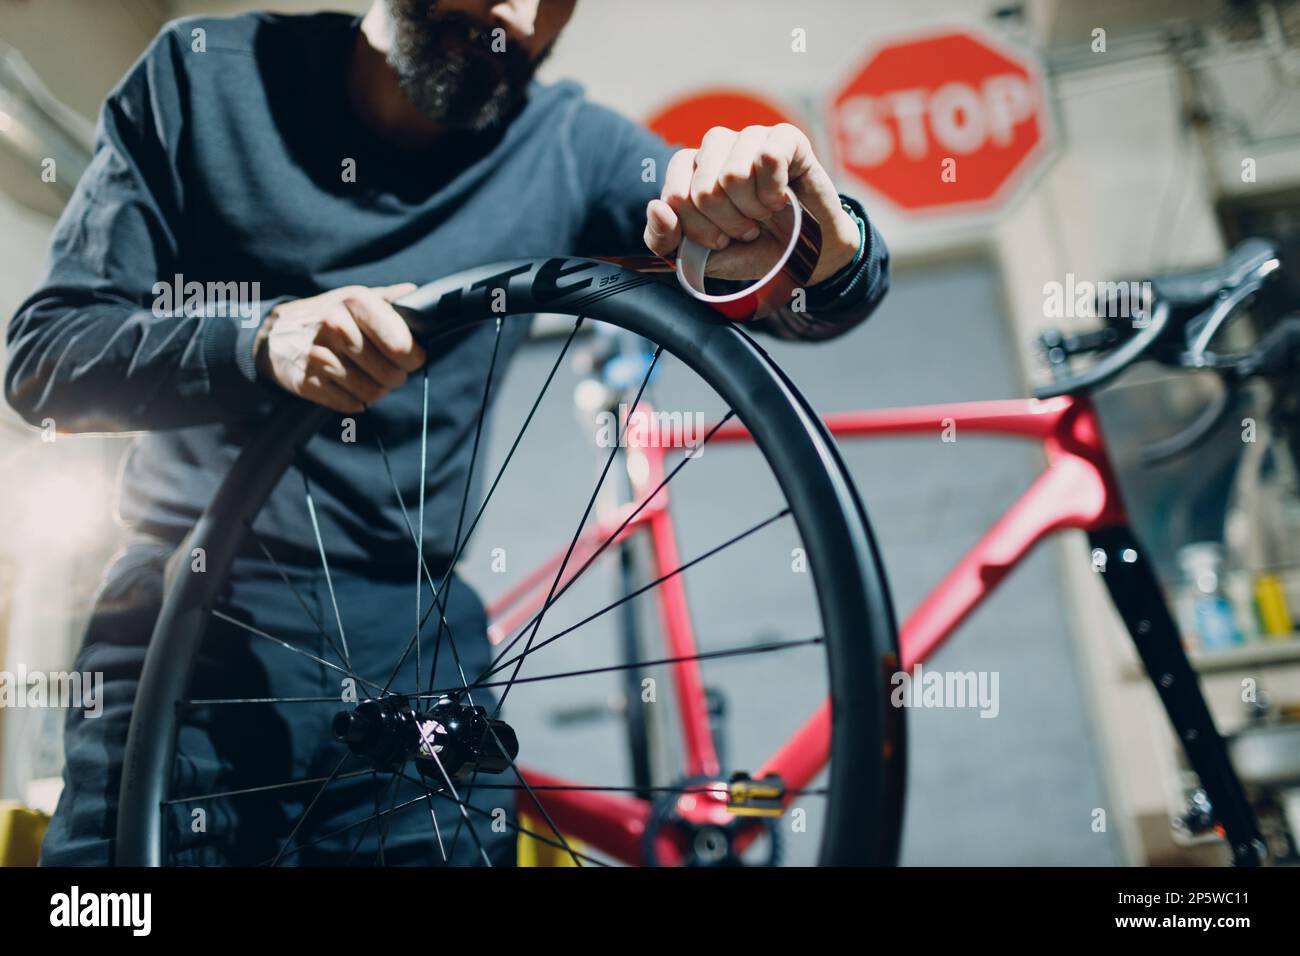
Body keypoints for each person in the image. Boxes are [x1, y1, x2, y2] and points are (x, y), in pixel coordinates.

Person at [5, 0, 889, 866]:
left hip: (417, 643)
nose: (521, 11)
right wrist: (258, 340)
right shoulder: (200, 77)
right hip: (192, 619)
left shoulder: (571, 148)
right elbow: (43, 358)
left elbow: (798, 299)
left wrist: (819, 239)